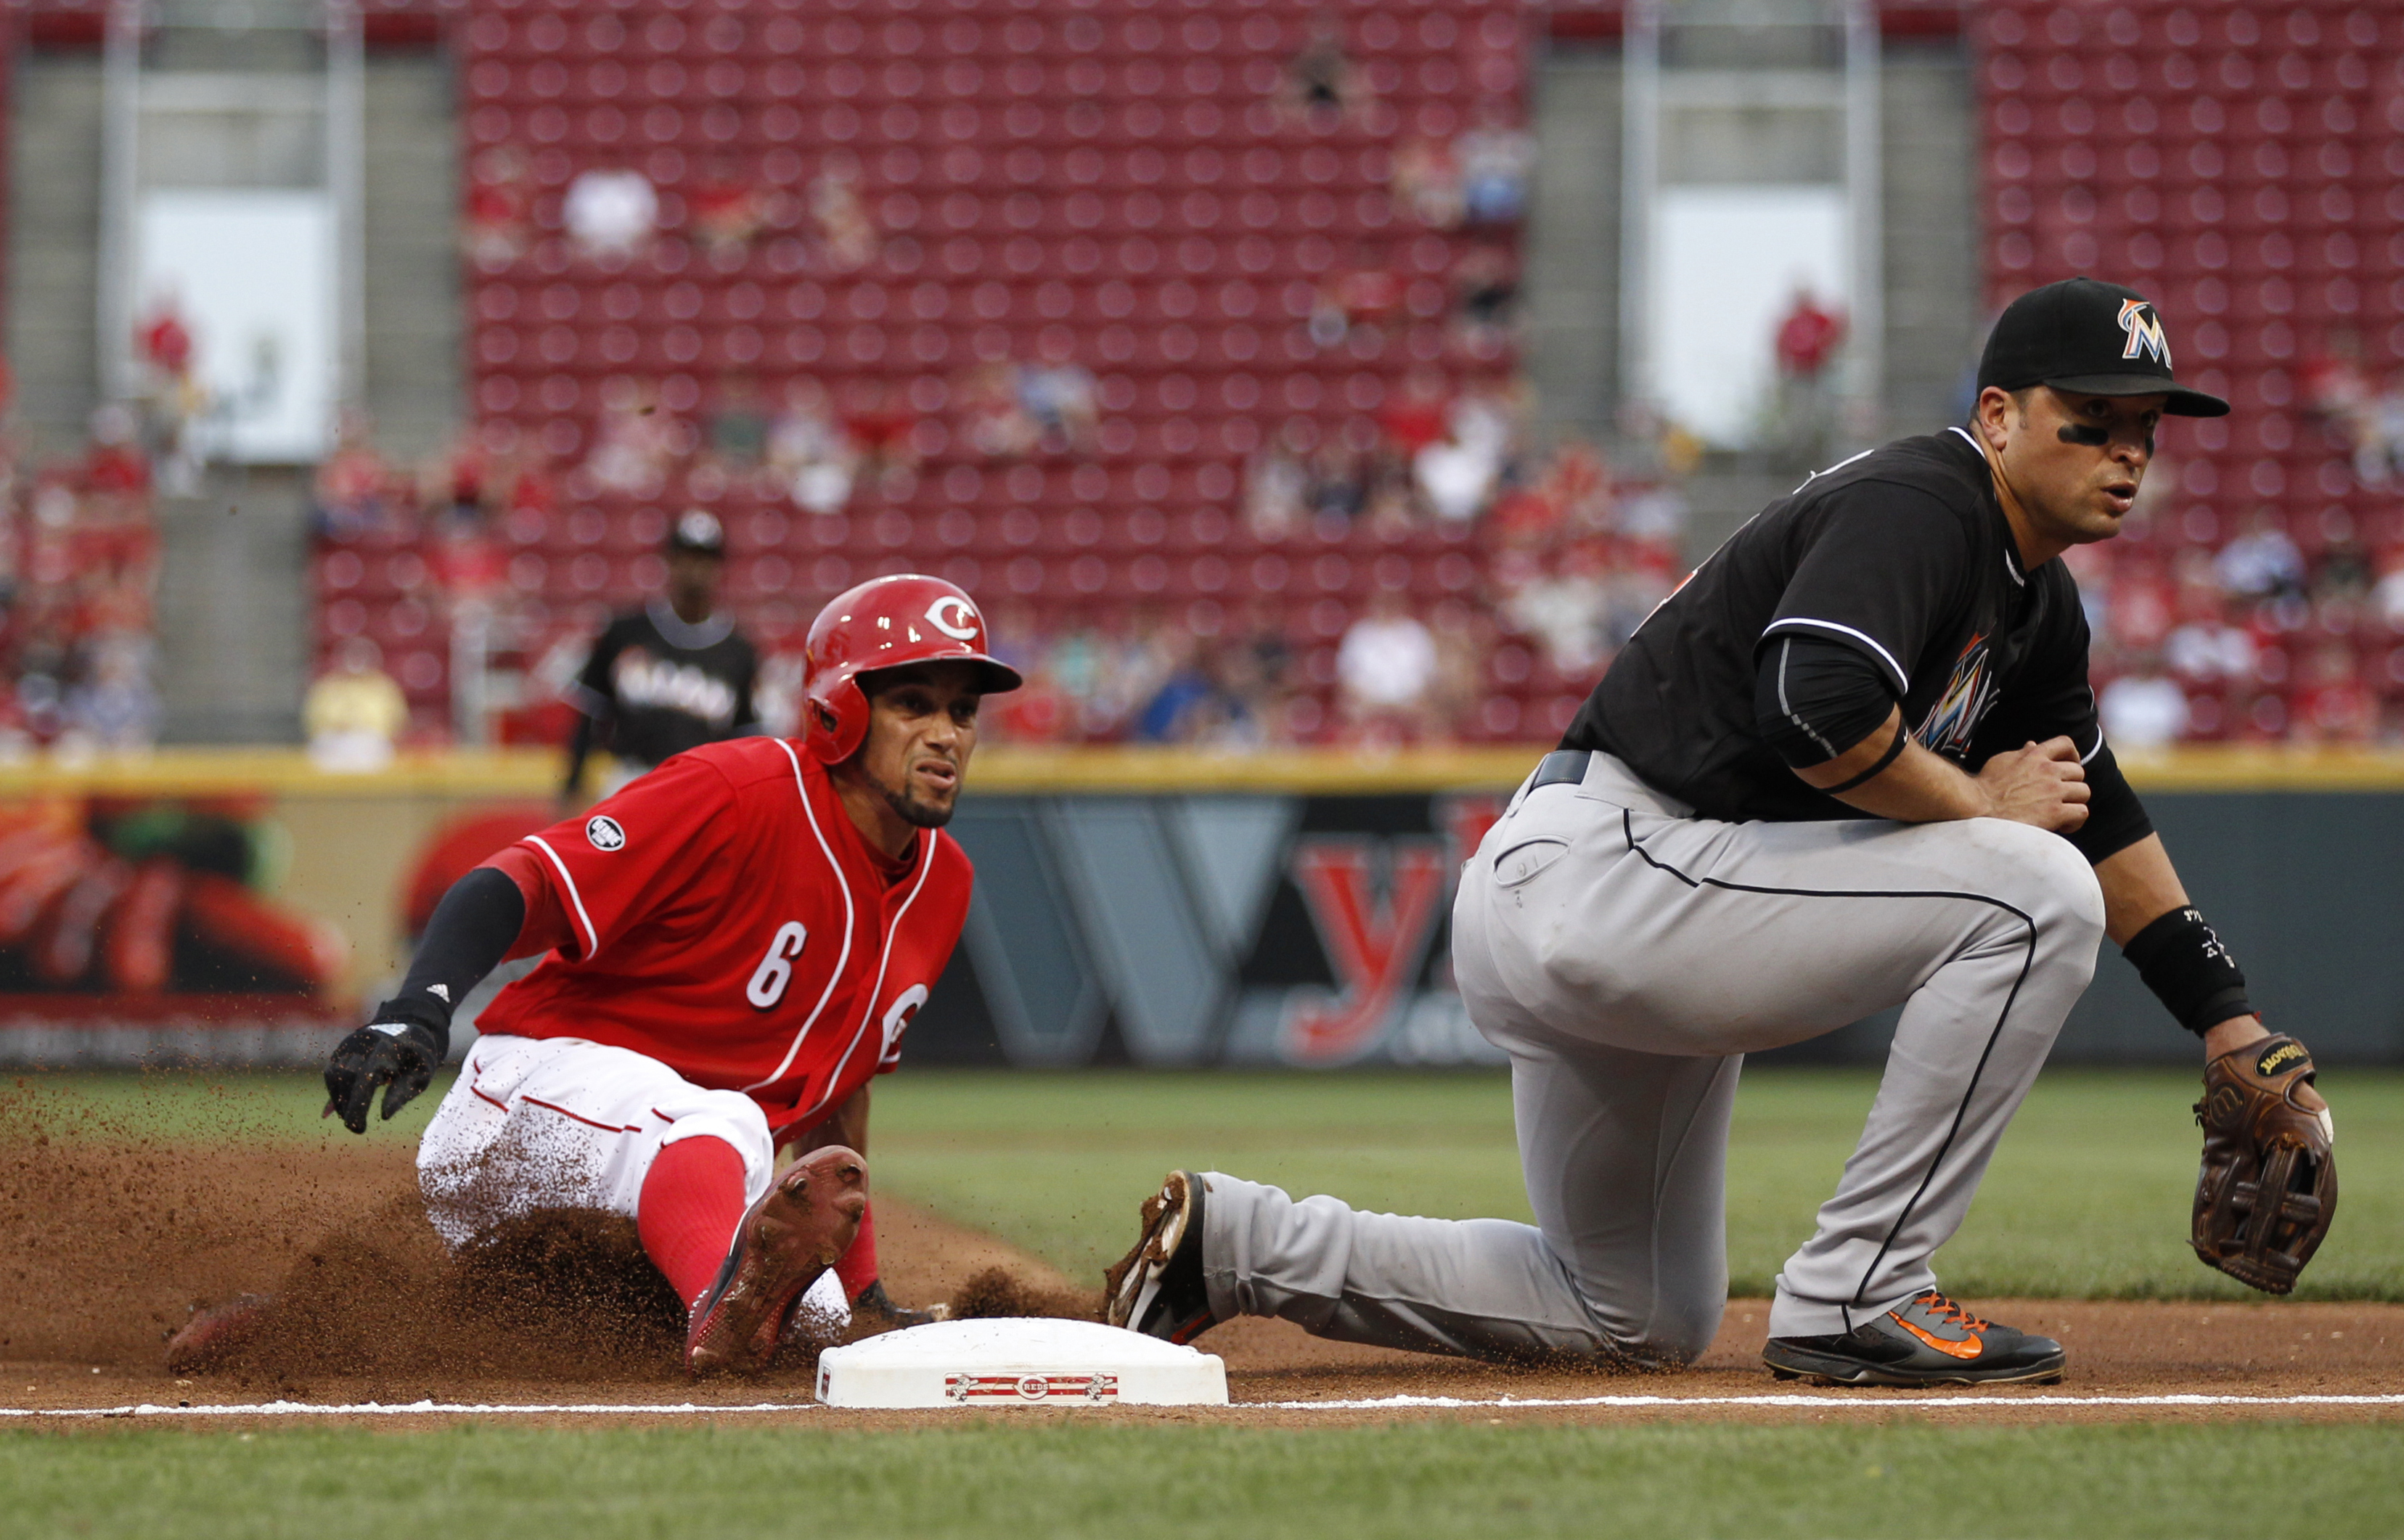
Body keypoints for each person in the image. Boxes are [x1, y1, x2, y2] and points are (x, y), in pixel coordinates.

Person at [1103, 279, 2335, 1386]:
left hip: (1648, 897)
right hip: (1610, 863)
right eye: (2091, 420)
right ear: (2001, 416)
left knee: (1628, 1311)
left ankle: (1236, 1243)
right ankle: (1860, 1291)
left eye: (2143, 431)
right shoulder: (1925, 501)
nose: (2124, 453)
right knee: (2029, 889)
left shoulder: (2034, 604)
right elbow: (1810, 705)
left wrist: (2226, 1020)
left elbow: (2101, 810)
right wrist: (1975, 802)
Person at [316, 575, 1022, 1375]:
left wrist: (860, 1290)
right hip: (531, 1101)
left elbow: (839, 1090)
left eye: (963, 712)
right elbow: (525, 880)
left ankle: (315, 1327)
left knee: (815, 1331)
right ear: (842, 709)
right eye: (914, 703)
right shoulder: (739, 790)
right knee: (730, 1130)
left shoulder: (944, 884)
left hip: (683, 1185)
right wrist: (419, 1007)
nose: (946, 734)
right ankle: (713, 1309)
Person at [563, 509, 759, 802]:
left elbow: (743, 739)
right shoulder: (624, 631)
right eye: (686, 557)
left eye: (705, 559)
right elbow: (591, 715)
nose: (695, 568)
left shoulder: (739, 651)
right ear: (669, 561)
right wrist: (573, 783)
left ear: (720, 568)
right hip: (630, 778)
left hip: (702, 789)